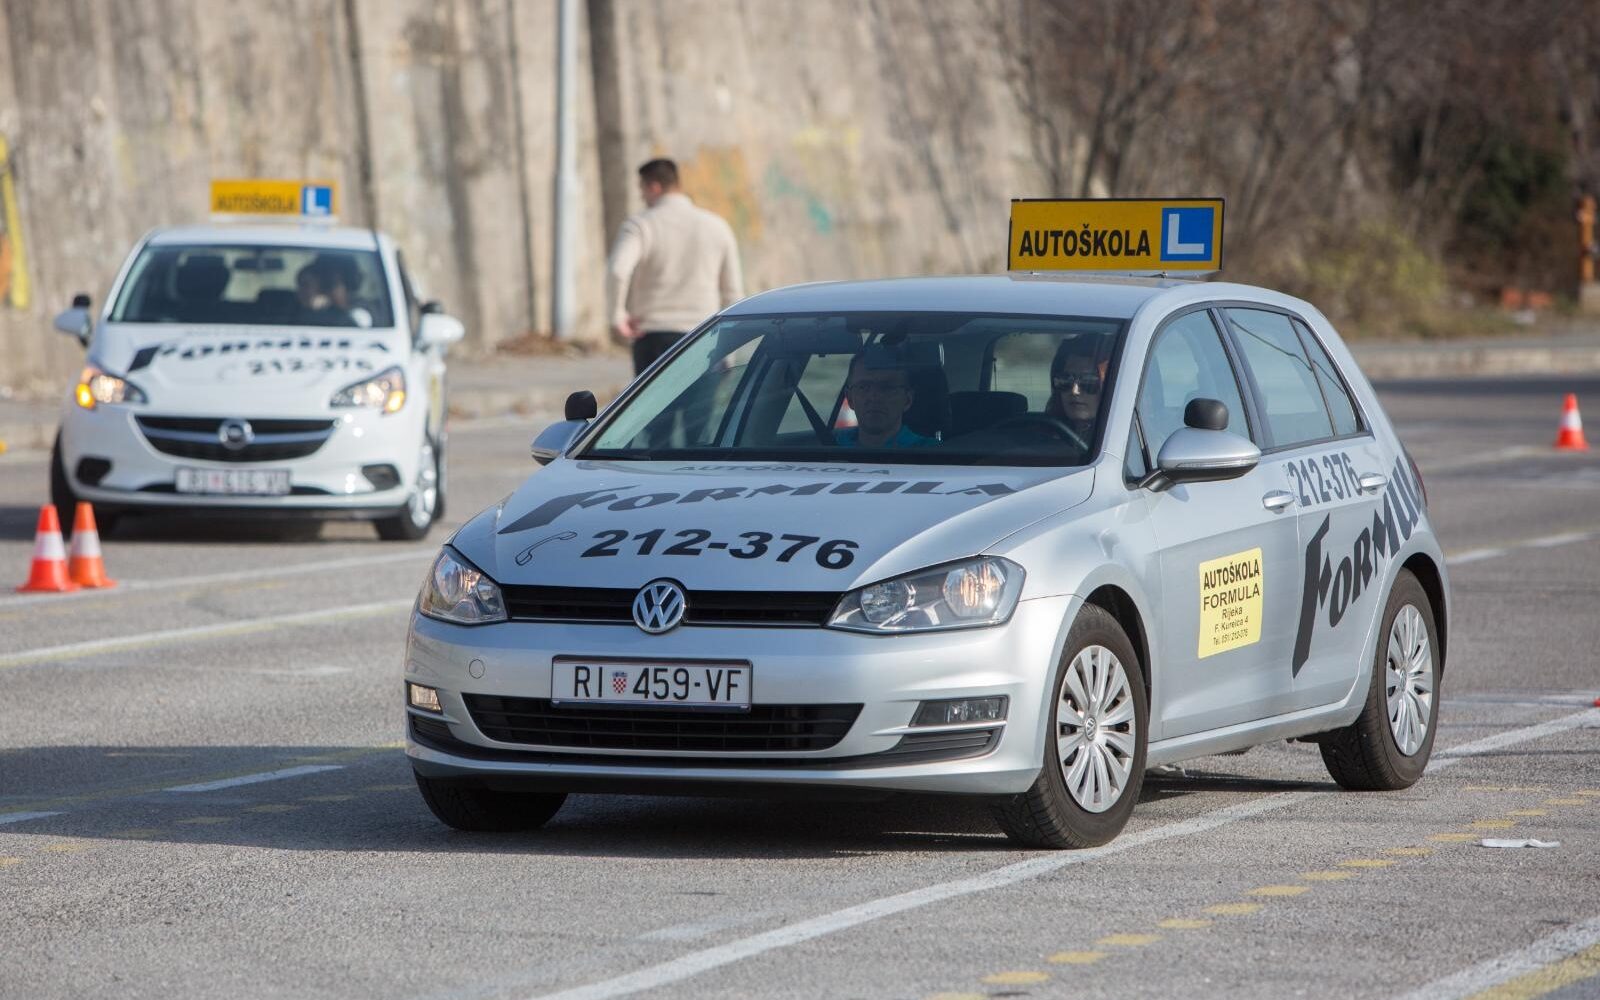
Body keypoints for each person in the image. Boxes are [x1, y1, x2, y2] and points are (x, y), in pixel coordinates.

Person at [606, 159, 744, 376]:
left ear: (654, 187)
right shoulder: (717, 226)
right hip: (704, 336)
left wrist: (617, 315)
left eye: (642, 190)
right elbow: (732, 293)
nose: (642, 198)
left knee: (655, 399)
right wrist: (729, 350)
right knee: (701, 400)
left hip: (654, 338)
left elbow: (617, 270)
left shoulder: (641, 225)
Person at [835, 352, 935, 448]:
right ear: (850, 399)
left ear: (907, 400)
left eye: (887, 388)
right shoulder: (831, 443)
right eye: (863, 387)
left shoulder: (932, 452)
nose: (874, 397)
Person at [1044, 337, 1106, 444]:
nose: (1074, 391)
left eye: (1088, 381)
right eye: (1065, 380)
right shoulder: (1038, 436)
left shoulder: (1120, 440)